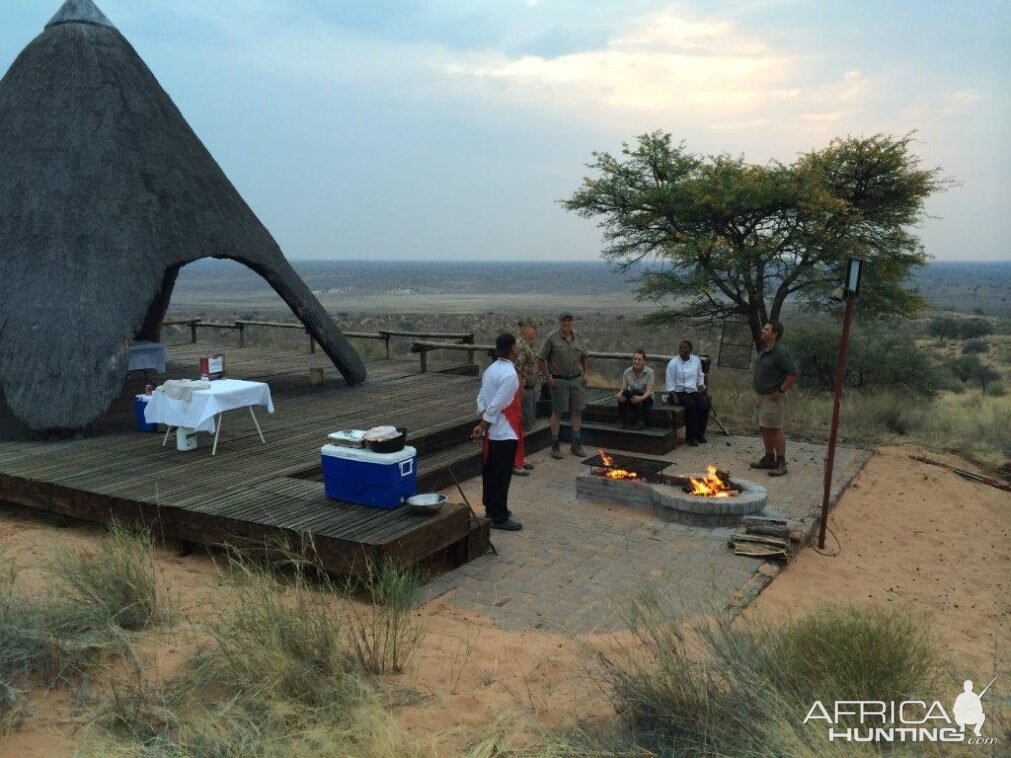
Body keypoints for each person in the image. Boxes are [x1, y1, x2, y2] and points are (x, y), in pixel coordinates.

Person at [472, 332, 523, 531]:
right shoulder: (510, 375)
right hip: (504, 431)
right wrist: (484, 423)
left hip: (493, 433)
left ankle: (492, 508)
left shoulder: (490, 370)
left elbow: (481, 398)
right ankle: (499, 516)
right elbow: (498, 404)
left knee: (491, 473)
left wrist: (483, 417)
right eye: (516, 346)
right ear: (512, 349)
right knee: (501, 475)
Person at [750, 321, 799, 477]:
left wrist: (780, 390)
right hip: (762, 396)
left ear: (775, 334)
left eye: (766, 329)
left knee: (775, 429)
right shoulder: (767, 349)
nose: (763, 331)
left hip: (773, 398)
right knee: (764, 427)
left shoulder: (780, 352)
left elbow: (794, 373)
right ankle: (769, 458)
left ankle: (781, 462)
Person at [537, 312, 589, 458]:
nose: (567, 323)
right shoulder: (551, 338)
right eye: (564, 321)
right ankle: (555, 445)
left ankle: (576, 444)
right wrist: (547, 377)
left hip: (576, 379)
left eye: (569, 320)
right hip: (559, 380)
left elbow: (584, 356)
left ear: (572, 322)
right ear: (559, 322)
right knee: (558, 412)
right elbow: (541, 358)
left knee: (577, 411)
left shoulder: (577, 337)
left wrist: (585, 373)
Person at [664, 339, 710, 446]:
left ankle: (700, 434)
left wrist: (701, 385)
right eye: (680, 348)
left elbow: (699, 375)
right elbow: (669, 381)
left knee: (704, 406)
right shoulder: (673, 363)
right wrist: (673, 394)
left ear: (690, 350)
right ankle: (691, 437)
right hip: (679, 391)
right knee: (691, 406)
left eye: (684, 348)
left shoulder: (696, 360)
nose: (682, 350)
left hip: (692, 390)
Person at [512, 317, 541, 476]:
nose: (535, 331)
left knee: (526, 425)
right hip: (524, 390)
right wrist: (521, 389)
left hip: (531, 388)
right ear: (524, 328)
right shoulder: (521, 346)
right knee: (521, 426)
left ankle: (520, 458)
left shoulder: (529, 345)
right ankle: (516, 461)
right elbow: (518, 369)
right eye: (533, 327)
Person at [616, 349, 654, 429]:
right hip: (633, 398)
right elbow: (623, 388)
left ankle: (640, 421)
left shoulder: (650, 372)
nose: (636, 361)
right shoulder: (627, 372)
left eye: (639, 359)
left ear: (644, 361)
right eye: (635, 359)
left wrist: (641, 398)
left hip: (646, 398)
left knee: (636, 391)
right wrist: (619, 395)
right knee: (624, 394)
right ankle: (620, 420)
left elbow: (648, 391)